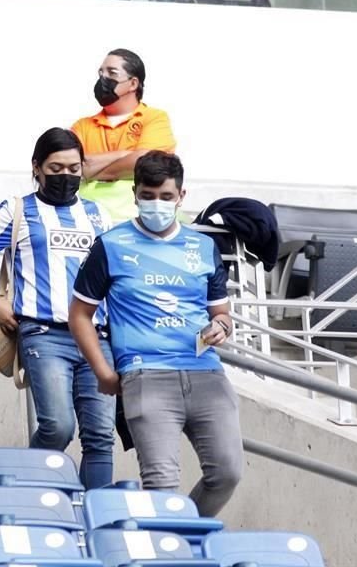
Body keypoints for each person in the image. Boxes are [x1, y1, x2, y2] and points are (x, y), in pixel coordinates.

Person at [68, 150, 242, 516]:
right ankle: (169, 546)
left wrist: (222, 326)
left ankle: (182, 536)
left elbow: (222, 312)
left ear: (181, 196)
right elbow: (80, 314)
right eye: (148, 195)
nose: (157, 204)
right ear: (135, 193)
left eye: (166, 196)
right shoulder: (111, 245)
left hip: (206, 372)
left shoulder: (203, 246)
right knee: (161, 486)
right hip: (145, 374)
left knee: (227, 473)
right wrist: (103, 371)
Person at [0, 128, 116, 489]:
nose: (66, 176)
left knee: (101, 436)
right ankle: (21, 491)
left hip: (97, 336)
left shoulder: (99, 216)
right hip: (43, 333)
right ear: (37, 168)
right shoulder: (18, 210)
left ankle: (96, 520)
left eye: (74, 167)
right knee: (58, 425)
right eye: (56, 168)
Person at [72, 49, 176, 222]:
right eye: (101, 72)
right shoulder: (82, 126)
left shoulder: (155, 118)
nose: (103, 78)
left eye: (112, 73)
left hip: (139, 220)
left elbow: (147, 164)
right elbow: (76, 167)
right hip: (89, 219)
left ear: (133, 83)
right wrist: (128, 155)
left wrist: (93, 170)